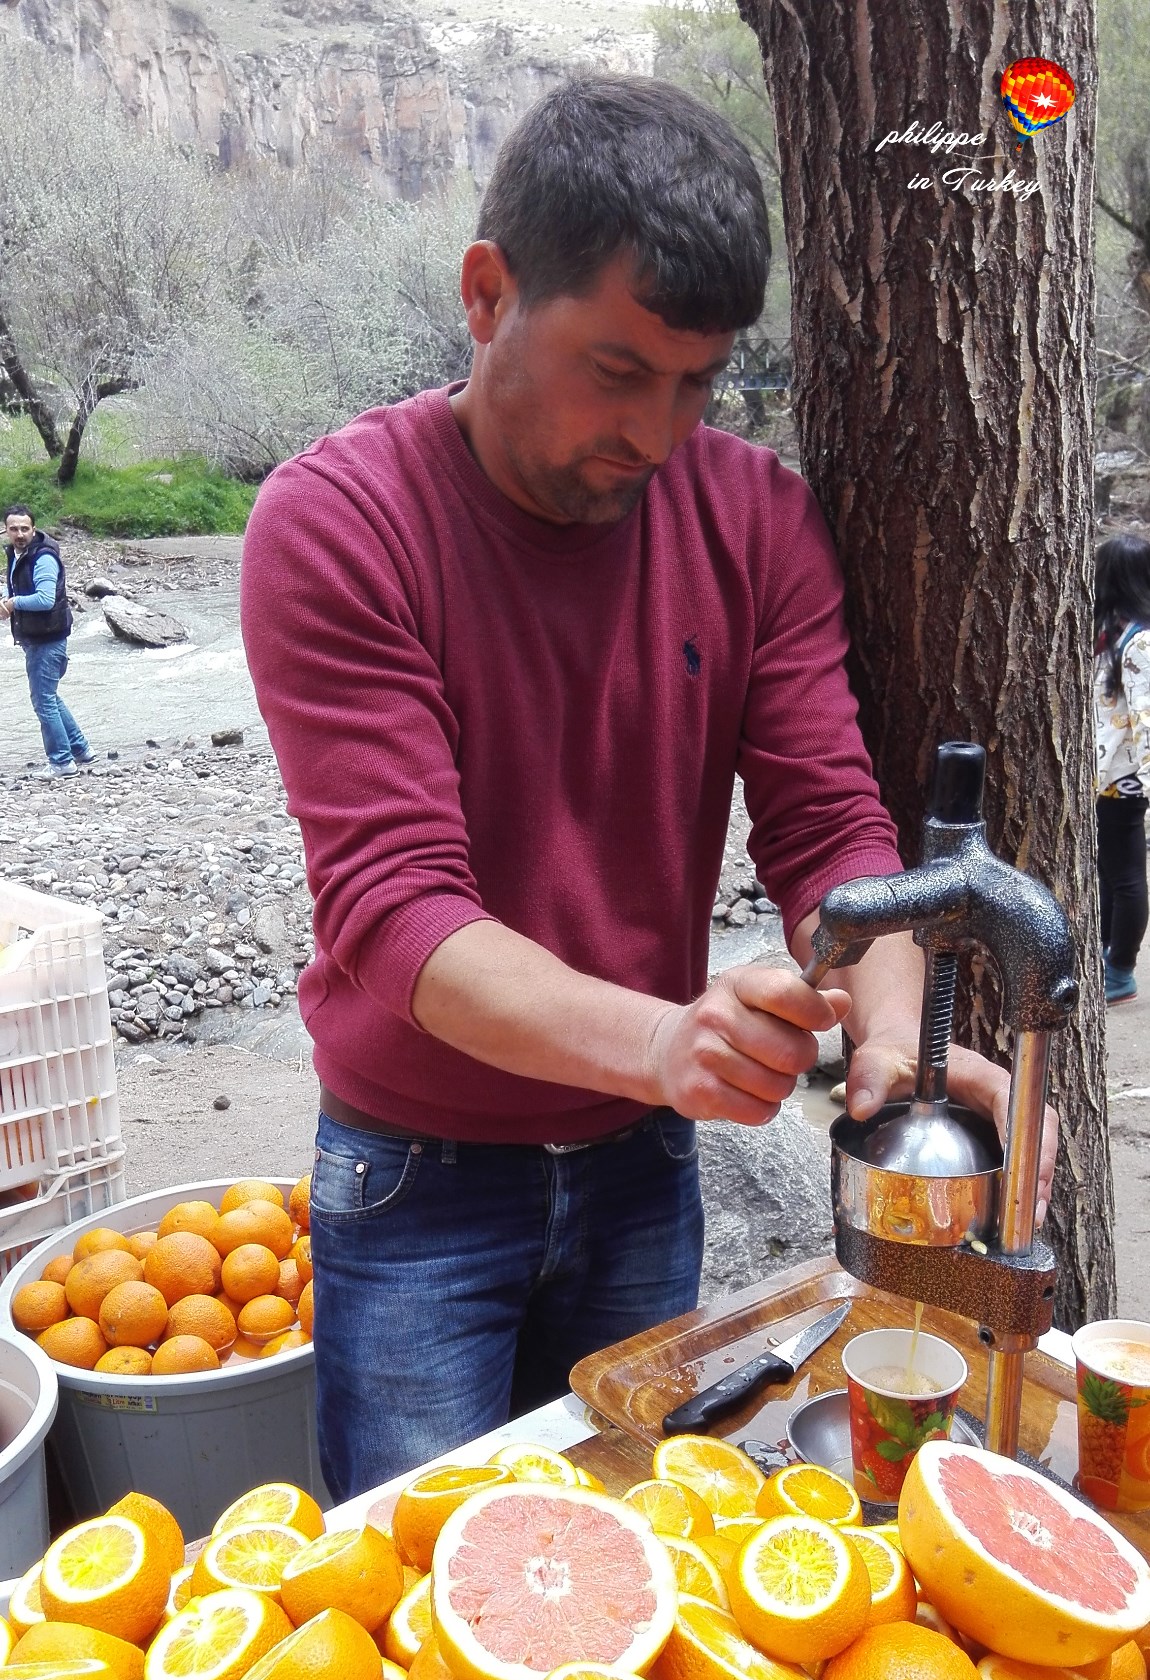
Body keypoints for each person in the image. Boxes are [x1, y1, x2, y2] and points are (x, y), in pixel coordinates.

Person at [242, 77, 1057, 1503]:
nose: (659, 431)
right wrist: (668, 1041)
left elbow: (828, 830)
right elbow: (395, 910)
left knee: (633, 1538)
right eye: (616, 371)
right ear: (485, 293)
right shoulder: (337, 523)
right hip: (416, 1180)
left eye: (697, 383)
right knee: (422, 1571)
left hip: (638, 1168)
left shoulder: (754, 519)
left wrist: (891, 1048)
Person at [1094, 532, 1150, 1005]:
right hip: (1104, 776)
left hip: (1126, 779)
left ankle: (1121, 970)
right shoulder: (1112, 633)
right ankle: (1107, 952)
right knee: (1109, 870)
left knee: (1127, 875)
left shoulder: (1141, 642)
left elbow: (1147, 717)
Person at [2, 505, 92, 779]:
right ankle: (80, 749)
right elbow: (17, 585)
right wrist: (7, 599)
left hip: (48, 639)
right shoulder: (18, 553)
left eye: (24, 528)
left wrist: (12, 604)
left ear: (34, 529)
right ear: (6, 530)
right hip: (37, 637)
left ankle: (62, 762)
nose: (19, 534)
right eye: (14, 529)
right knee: (48, 696)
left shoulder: (43, 557)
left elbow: (45, 599)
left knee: (43, 701)